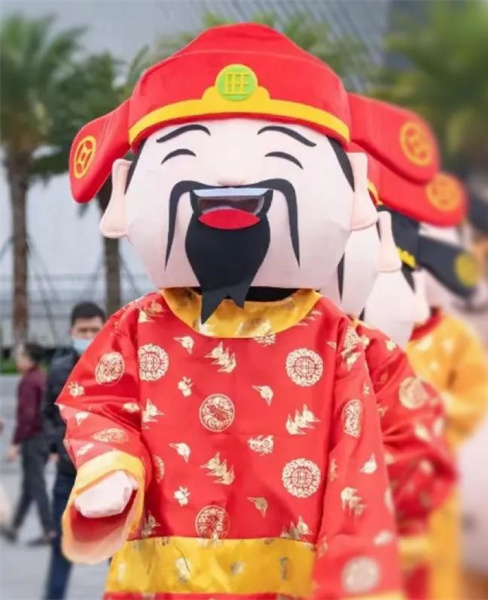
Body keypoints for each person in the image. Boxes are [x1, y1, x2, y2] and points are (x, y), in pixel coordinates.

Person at [55, 23, 403, 600]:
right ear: (125, 192)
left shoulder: (337, 340)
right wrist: (111, 464)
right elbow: (98, 403)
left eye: (280, 156)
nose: (234, 179)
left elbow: (370, 451)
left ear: (352, 193)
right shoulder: (138, 329)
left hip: (295, 571)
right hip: (167, 572)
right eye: (184, 155)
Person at [42, 301, 105, 600]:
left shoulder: (118, 365)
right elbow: (48, 413)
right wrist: (58, 445)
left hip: (107, 471)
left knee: (116, 545)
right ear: (72, 332)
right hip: (68, 472)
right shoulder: (58, 370)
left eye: (95, 330)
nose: (89, 336)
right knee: (62, 543)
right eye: (83, 330)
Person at [0, 342, 54, 545]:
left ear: (29, 359)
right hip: (44, 437)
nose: (17, 359)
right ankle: (14, 526)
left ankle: (49, 530)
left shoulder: (29, 382)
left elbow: (27, 416)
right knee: (29, 485)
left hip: (33, 439)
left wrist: (15, 443)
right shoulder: (42, 377)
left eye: (20, 355)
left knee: (36, 485)